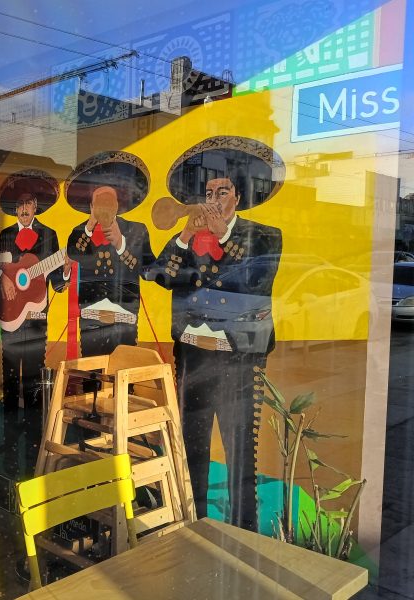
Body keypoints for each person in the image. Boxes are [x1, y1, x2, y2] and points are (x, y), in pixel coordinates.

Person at [146, 136, 285, 532]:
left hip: (238, 355)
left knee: (241, 451)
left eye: (221, 192)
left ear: (237, 197)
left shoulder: (265, 235)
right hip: (193, 355)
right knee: (192, 446)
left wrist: (222, 233)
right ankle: (196, 525)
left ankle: (244, 532)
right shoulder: (190, 239)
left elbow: (254, 281)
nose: (212, 200)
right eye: (208, 193)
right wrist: (184, 236)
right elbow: (158, 275)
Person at [0, 170, 69, 473]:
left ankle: (35, 451)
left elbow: (58, 284)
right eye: (20, 204)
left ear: (36, 205)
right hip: (10, 318)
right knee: (11, 382)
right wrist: (2, 279)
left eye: (29, 203)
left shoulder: (50, 236)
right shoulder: (5, 235)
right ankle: (10, 451)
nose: (24, 209)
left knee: (34, 382)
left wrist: (64, 270)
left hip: (36, 318)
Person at [65, 151, 155, 357]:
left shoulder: (136, 230)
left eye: (108, 201)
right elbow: (73, 253)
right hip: (91, 319)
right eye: (98, 201)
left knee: (122, 369)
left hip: (124, 317)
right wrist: (90, 224)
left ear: (117, 205)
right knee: (91, 370)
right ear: (91, 206)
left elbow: (148, 270)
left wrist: (121, 244)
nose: (103, 206)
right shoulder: (81, 232)